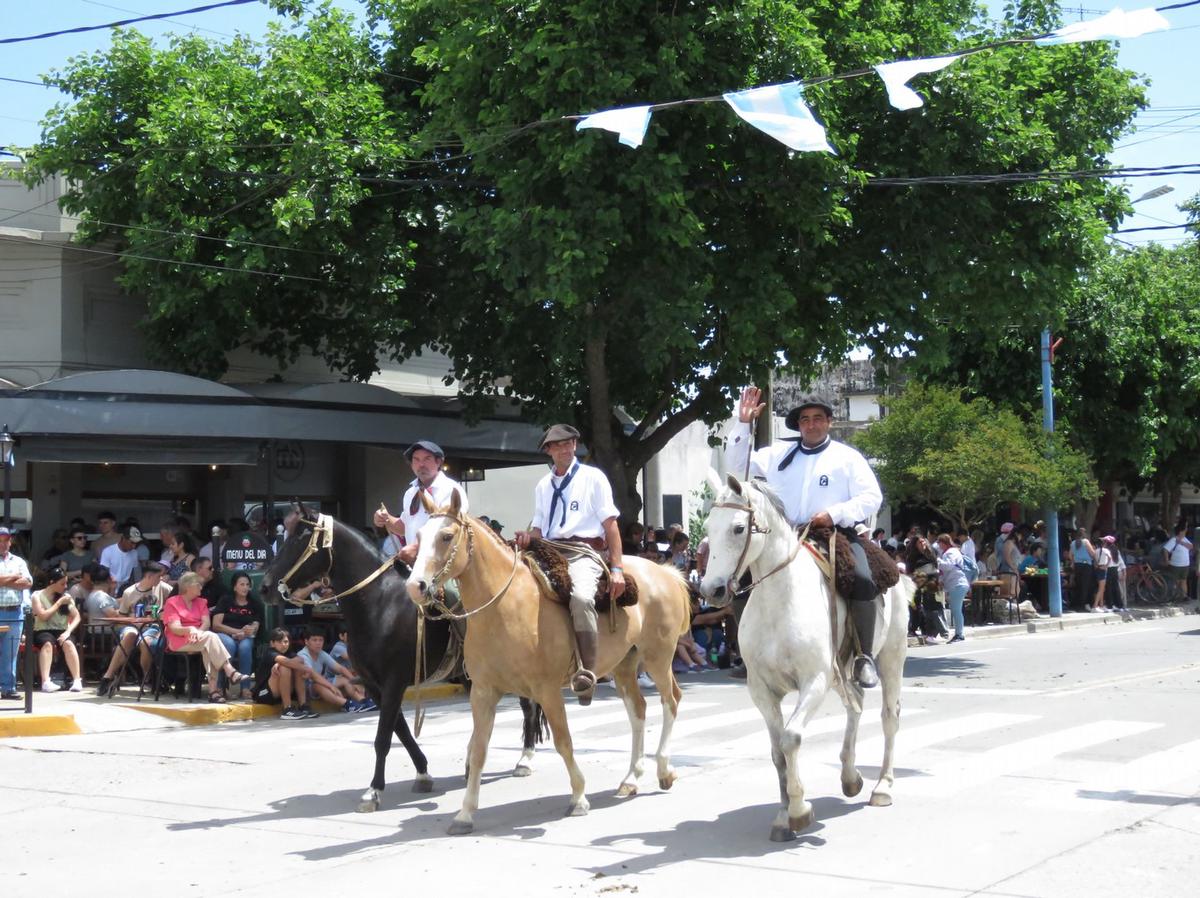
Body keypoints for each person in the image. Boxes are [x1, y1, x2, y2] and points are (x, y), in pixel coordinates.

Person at [726, 387, 885, 688]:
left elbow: (871, 497)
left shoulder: (847, 458)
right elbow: (737, 468)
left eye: (817, 419)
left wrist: (834, 513)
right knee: (741, 583)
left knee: (863, 579)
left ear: (829, 422)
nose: (811, 425)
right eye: (805, 420)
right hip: (784, 536)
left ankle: (864, 656)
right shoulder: (777, 454)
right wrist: (743, 424)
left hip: (832, 533)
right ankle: (747, 654)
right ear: (798, 425)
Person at [515, 423, 626, 705]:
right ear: (548, 450)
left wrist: (616, 568)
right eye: (558, 445)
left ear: (575, 445)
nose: (565, 448)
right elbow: (539, 529)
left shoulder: (593, 478)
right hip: (549, 549)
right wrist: (528, 539)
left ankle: (587, 673)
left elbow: (610, 526)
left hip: (582, 550)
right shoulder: (543, 485)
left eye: (570, 443)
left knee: (580, 597)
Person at [374, 440, 469, 566]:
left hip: (444, 566)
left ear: (439, 462)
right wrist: (385, 519)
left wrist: (416, 547)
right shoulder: (410, 493)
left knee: (452, 586)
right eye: (416, 460)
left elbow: (450, 531)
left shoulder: (451, 490)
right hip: (416, 566)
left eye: (427, 459)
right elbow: (404, 528)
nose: (421, 464)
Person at [161, 572, 247, 703]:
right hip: (179, 639)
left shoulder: (201, 602)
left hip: (200, 638)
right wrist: (190, 630)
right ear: (188, 587)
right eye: (199, 585)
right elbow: (175, 628)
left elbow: (206, 623)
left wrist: (198, 633)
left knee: (209, 643)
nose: (202, 588)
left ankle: (213, 692)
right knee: (211, 638)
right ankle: (229, 672)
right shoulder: (172, 602)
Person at [210, 572, 263, 698]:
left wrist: (251, 629)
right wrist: (236, 632)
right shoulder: (226, 600)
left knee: (245, 647)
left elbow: (256, 624)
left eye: (247, 585)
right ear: (234, 587)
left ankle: (245, 688)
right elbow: (216, 624)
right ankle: (221, 687)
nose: (245, 587)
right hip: (225, 634)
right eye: (242, 584)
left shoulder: (253, 603)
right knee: (228, 645)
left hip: (245, 636)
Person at [30, 568, 83, 692]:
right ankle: (46, 681)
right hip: (42, 629)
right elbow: (43, 616)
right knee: (47, 643)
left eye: (66, 583)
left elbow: (77, 616)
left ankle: (76, 680)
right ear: (52, 582)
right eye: (62, 584)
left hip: (61, 629)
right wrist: (59, 603)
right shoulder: (37, 596)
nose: (65, 587)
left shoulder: (66, 597)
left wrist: (68, 631)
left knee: (69, 643)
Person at [295, 629, 373, 712]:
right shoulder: (303, 655)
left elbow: (340, 668)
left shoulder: (321, 653)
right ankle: (347, 704)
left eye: (321, 640)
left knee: (345, 679)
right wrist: (330, 686)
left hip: (320, 682)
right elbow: (313, 675)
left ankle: (363, 701)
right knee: (318, 685)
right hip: (306, 689)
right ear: (306, 642)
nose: (318, 643)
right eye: (314, 640)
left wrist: (355, 682)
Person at [252, 628, 317, 719]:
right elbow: (287, 662)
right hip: (264, 694)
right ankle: (287, 709)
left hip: (281, 693)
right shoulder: (269, 652)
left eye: (286, 642)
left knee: (296, 667)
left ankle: (303, 706)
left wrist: (279, 663)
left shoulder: (288, 653)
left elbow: (300, 660)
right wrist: (307, 669)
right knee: (285, 667)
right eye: (280, 642)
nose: (284, 645)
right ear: (272, 643)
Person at [0, 526, 33, 700]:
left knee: (10, 652)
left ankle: (8, 688)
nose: (3, 544)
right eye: (0, 540)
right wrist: (13, 577)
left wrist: (4, 580)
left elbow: (27, 583)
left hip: (14, 613)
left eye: (6, 540)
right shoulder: (16, 568)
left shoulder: (18, 561)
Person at [936, 534, 970, 643]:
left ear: (943, 542)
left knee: (956, 610)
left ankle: (959, 634)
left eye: (939, 542)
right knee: (956, 610)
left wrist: (937, 561)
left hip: (957, 584)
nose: (938, 545)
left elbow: (948, 566)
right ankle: (959, 633)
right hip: (957, 584)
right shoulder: (952, 552)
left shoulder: (951, 552)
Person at [98, 525, 142, 594]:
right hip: (110, 590)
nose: (134, 546)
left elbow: (135, 575)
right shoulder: (108, 551)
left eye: (136, 543)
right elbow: (103, 575)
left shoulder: (134, 553)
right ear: (123, 539)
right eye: (132, 542)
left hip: (126, 590)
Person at [1069, 527, 1098, 611]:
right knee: (1086, 585)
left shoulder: (1073, 543)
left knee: (1079, 585)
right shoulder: (1086, 542)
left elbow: (1070, 556)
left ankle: (1077, 605)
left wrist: (1076, 560)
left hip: (1077, 566)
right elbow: (1092, 553)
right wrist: (1095, 559)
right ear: (1084, 534)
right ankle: (1084, 605)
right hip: (1086, 565)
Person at [1162, 524, 1192, 600]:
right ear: (1181, 531)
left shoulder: (1185, 539)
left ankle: (1184, 596)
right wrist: (1166, 560)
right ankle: (1175, 596)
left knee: (1184, 581)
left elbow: (1191, 546)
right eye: (1185, 529)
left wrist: (1181, 542)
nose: (1186, 531)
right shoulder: (1173, 540)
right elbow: (1165, 549)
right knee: (1176, 581)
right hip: (1176, 565)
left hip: (1185, 565)